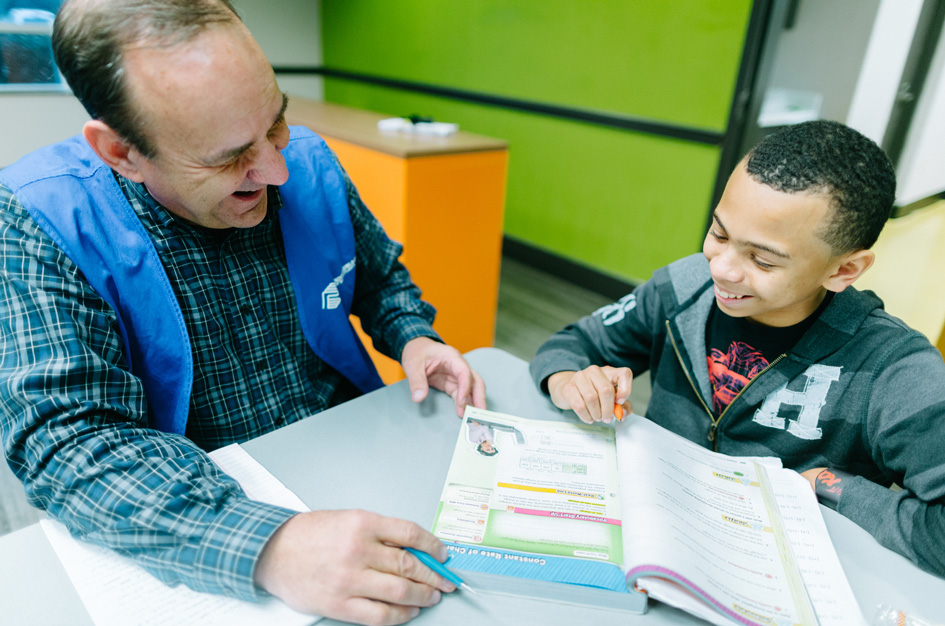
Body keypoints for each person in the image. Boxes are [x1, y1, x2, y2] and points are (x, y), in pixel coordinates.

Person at [0, 1, 486, 623]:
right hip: (195, 502)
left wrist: (414, 336)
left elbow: (379, 278)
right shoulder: (41, 220)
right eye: (229, 158)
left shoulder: (307, 162)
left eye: (277, 124)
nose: (277, 169)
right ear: (121, 152)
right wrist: (269, 547)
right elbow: (68, 444)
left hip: (349, 457)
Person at [530, 120, 945, 578]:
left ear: (845, 269)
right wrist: (571, 381)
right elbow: (572, 343)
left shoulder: (895, 369)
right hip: (656, 535)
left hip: (776, 571)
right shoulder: (683, 288)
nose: (722, 269)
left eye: (762, 260)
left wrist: (832, 487)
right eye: (719, 233)